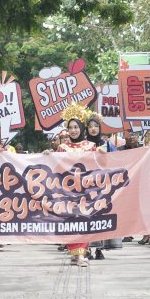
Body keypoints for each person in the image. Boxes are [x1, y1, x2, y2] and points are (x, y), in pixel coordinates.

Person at [53, 104, 97, 267]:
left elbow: (98, 166)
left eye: (76, 127)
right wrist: (47, 155)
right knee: (70, 221)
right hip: (67, 191)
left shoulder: (91, 147)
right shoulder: (62, 147)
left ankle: (82, 254)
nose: (73, 130)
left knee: (85, 220)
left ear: (81, 128)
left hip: (86, 191)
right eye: (70, 127)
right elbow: (56, 167)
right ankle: (74, 252)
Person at [85, 115, 116, 260]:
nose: (93, 129)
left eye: (96, 126)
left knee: (100, 215)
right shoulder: (82, 144)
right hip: (85, 185)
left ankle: (99, 248)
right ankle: (86, 249)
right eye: (90, 126)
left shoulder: (107, 144)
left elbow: (117, 160)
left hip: (102, 184)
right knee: (86, 216)